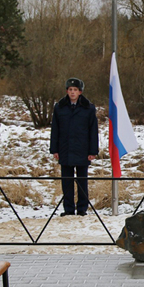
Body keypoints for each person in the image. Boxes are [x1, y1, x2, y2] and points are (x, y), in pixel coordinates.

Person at [50, 78, 100, 216]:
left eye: (75, 90)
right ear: (67, 91)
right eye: (70, 90)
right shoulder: (59, 107)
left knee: (82, 181)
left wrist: (93, 151)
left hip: (82, 150)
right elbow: (55, 129)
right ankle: (68, 209)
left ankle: (82, 209)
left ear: (80, 92)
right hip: (65, 149)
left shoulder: (88, 108)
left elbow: (93, 131)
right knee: (66, 181)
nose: (72, 92)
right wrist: (54, 149)